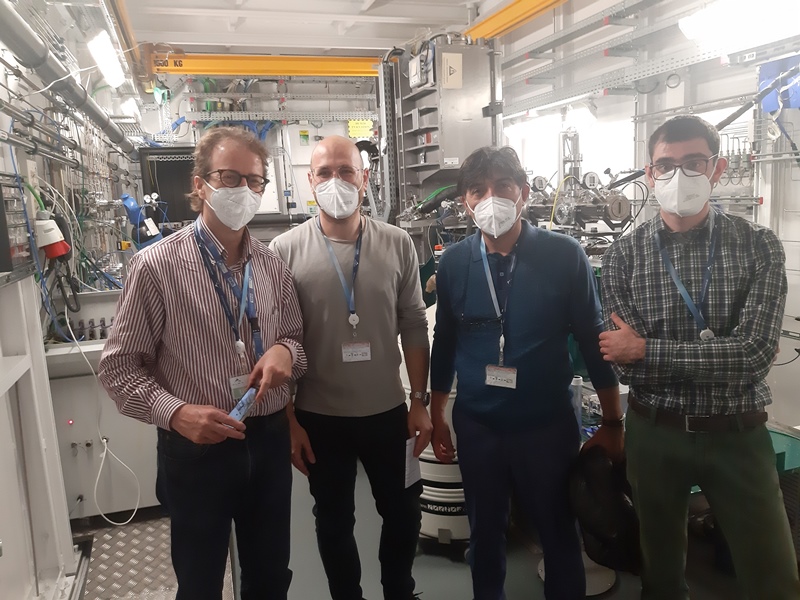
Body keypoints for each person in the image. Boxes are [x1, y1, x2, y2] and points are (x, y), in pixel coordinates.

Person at [99, 127, 307, 600]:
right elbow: (119, 367)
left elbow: (296, 341)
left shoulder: (272, 266)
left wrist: (285, 352)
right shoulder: (156, 267)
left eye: (254, 181)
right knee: (199, 584)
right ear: (200, 184)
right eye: (229, 177)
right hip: (197, 448)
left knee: (271, 578)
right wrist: (175, 414)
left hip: (267, 439)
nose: (243, 190)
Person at [600, 114, 800, 600]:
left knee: (773, 576)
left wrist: (648, 349)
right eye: (666, 165)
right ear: (650, 174)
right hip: (654, 432)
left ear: (717, 168)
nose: (679, 175)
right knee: (660, 575)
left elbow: (754, 355)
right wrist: (721, 355)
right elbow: (622, 364)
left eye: (694, 162)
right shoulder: (624, 256)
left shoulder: (758, 246)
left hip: (737, 433)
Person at [430, 146, 621, 600]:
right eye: (478, 191)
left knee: (559, 532)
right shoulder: (454, 262)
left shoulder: (564, 255)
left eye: (503, 187)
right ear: (465, 202)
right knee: (485, 535)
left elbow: (593, 340)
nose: (490, 199)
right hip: (478, 427)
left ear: (524, 194)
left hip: (546, 426)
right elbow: (446, 341)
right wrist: (436, 414)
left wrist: (613, 421)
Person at [270, 135, 432, 600]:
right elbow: (279, 341)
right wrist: (289, 420)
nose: (335, 181)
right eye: (325, 172)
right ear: (310, 181)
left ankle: (399, 590)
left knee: (404, 511)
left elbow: (414, 324)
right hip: (320, 418)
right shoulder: (283, 250)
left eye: (346, 171)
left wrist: (419, 401)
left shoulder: (397, 243)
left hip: (389, 412)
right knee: (334, 520)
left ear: (365, 178)